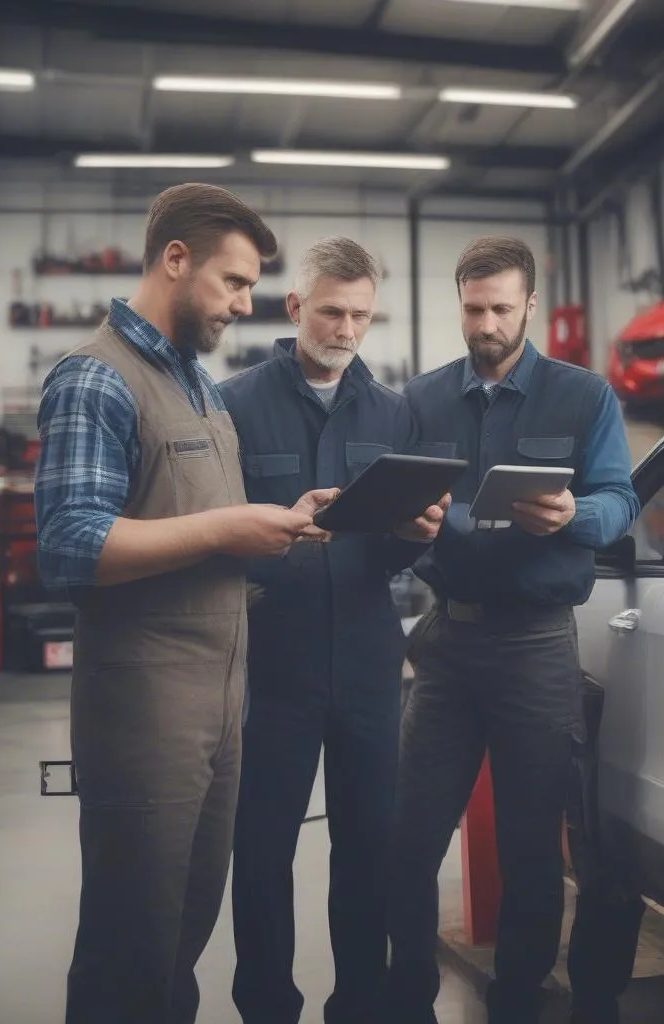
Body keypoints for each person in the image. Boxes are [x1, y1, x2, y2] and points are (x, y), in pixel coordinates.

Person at [34, 183, 336, 1024]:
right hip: (143, 710)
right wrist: (223, 529)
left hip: (220, 705)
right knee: (130, 947)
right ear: (176, 260)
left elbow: (202, 521)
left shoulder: (200, 387)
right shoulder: (97, 379)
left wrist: (284, 520)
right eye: (233, 282)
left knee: (182, 938)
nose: (246, 304)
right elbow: (69, 545)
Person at [384, 236, 641, 1024]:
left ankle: (518, 1000)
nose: (486, 323)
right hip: (447, 644)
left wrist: (576, 514)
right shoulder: (419, 402)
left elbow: (621, 499)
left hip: (536, 646)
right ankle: (408, 999)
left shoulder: (583, 396)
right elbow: (396, 507)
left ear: (531, 304)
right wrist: (405, 521)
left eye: (501, 307)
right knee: (407, 839)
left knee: (532, 850)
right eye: (472, 308)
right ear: (457, 301)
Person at [219, 237, 447, 1024]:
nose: (347, 329)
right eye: (331, 311)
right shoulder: (234, 404)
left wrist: (417, 534)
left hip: (366, 657)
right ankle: (267, 1008)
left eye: (360, 315)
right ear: (294, 308)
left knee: (367, 848)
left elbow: (391, 540)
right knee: (262, 848)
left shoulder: (394, 411)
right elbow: (212, 529)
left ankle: (360, 1005)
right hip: (268, 657)